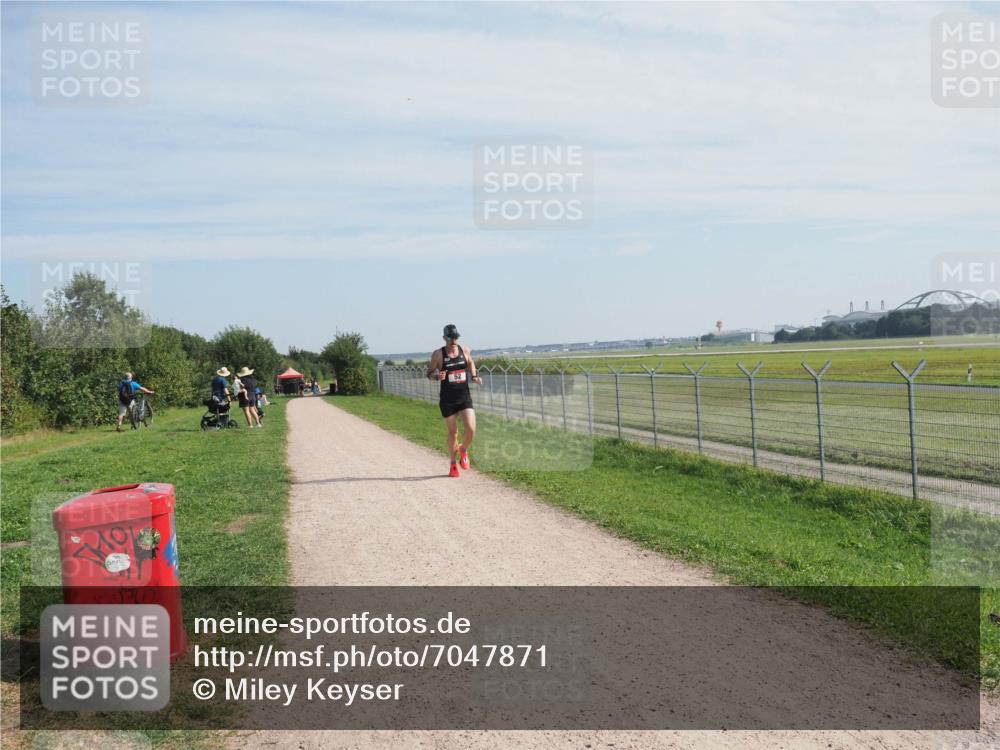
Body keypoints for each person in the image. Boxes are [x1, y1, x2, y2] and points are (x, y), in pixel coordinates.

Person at [426, 323, 482, 477]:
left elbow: (470, 362)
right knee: (453, 433)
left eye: (456, 337)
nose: (453, 340)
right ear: (444, 338)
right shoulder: (438, 354)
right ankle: (452, 463)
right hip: (447, 399)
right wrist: (436, 376)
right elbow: (429, 373)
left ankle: (463, 450)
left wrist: (474, 376)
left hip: (464, 397)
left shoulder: (465, 350)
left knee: (471, 428)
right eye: (450, 338)